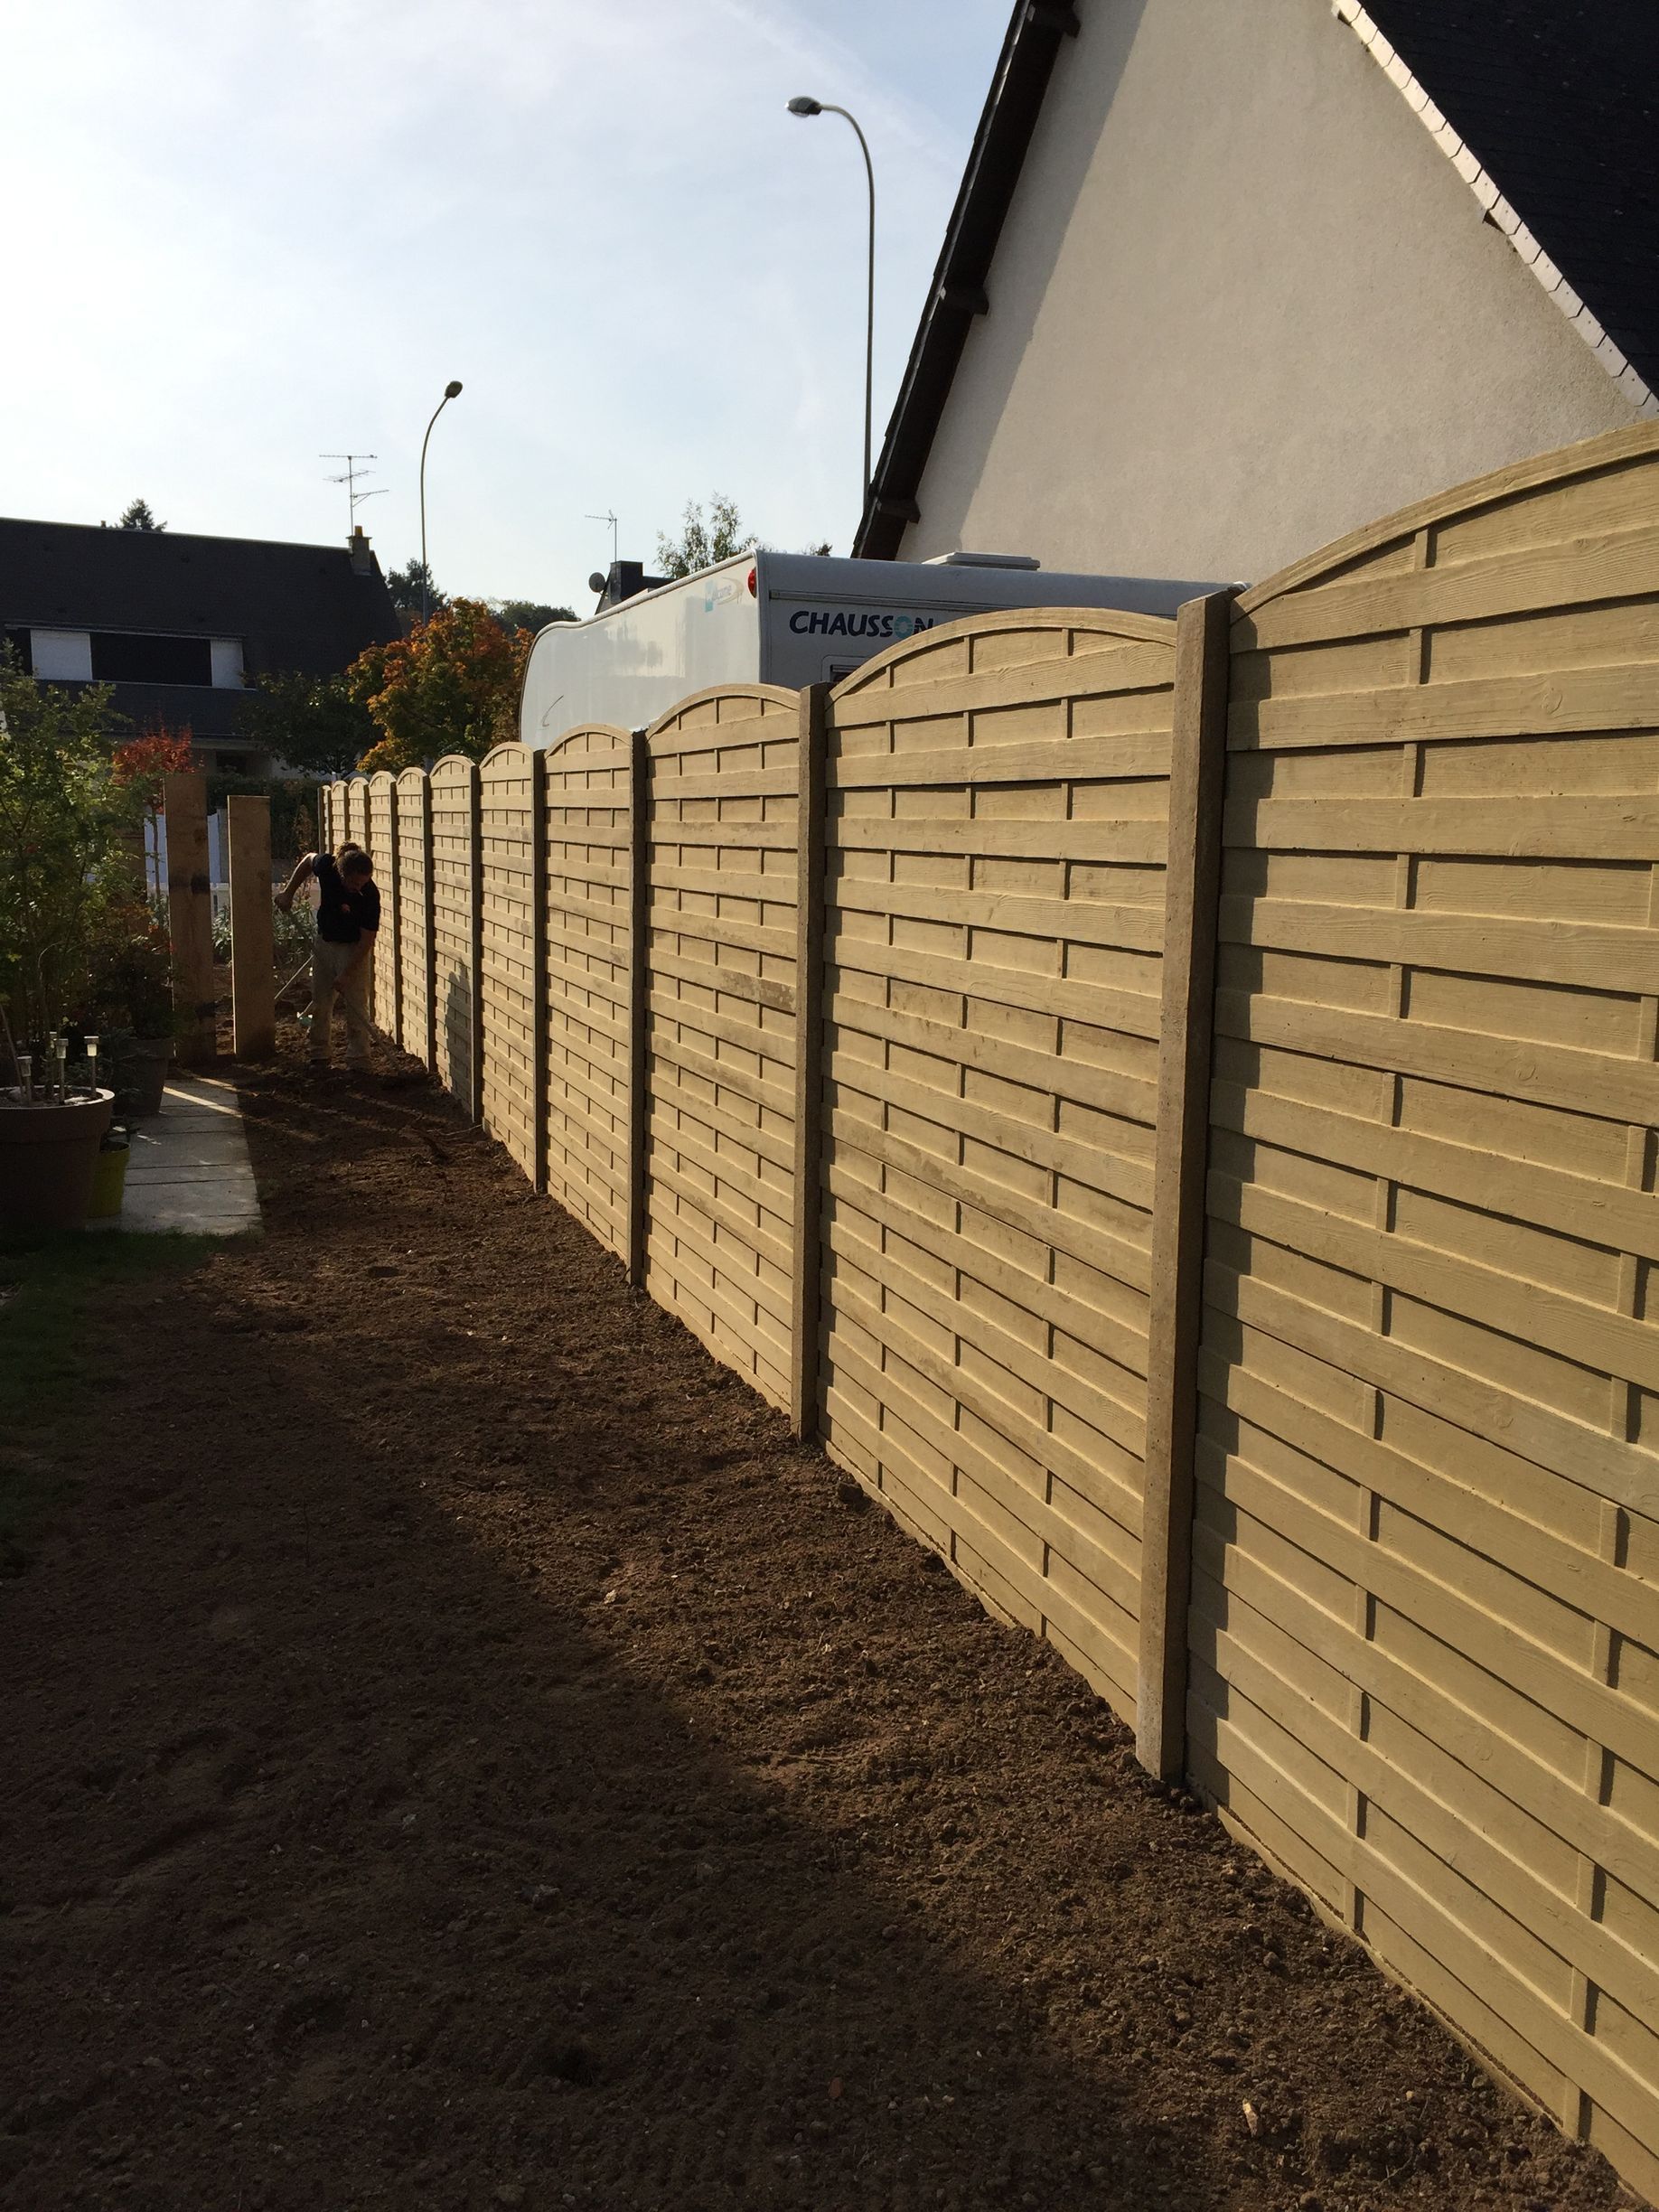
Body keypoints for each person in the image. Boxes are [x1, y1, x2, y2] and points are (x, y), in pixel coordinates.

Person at [276, 843, 380, 1070]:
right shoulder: (326, 867)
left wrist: (346, 973)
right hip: (325, 942)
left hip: (353, 948)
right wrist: (288, 893)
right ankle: (319, 1053)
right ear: (342, 873)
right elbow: (307, 861)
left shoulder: (370, 895)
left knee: (356, 1005)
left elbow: (366, 941)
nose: (359, 888)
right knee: (321, 1000)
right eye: (354, 883)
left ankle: (359, 1059)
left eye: (363, 883)